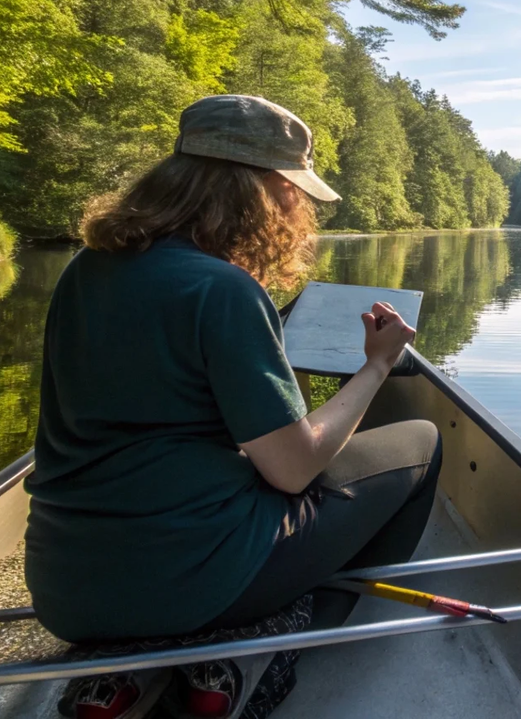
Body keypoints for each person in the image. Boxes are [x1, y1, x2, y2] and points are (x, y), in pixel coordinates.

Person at [23, 95, 441, 719]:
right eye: (292, 191)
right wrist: (377, 363)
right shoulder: (223, 289)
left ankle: (126, 663)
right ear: (263, 191)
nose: (296, 209)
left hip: (64, 587)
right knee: (423, 442)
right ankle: (265, 641)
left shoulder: (87, 269)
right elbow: (292, 468)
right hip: (196, 579)